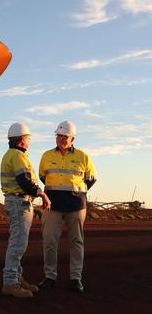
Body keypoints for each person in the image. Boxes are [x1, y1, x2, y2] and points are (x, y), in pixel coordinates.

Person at [37, 121, 97, 293]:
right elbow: (43, 176)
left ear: (73, 138)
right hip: (52, 205)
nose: (61, 139)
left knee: (76, 242)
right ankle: (50, 277)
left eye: (64, 136)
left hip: (76, 205)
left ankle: (76, 278)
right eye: (58, 136)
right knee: (49, 240)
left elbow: (91, 179)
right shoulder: (47, 156)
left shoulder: (83, 156)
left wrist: (75, 192)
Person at [1, 122, 51, 298]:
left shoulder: (11, 154)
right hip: (19, 203)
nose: (29, 141)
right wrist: (42, 194)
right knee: (17, 245)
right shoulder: (17, 156)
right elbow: (24, 181)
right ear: (22, 140)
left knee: (18, 243)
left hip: (16, 203)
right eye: (28, 138)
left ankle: (17, 277)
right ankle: (10, 283)